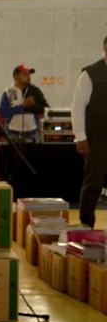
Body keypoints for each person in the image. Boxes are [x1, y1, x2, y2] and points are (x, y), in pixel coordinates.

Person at [72, 35, 107, 228]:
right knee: (93, 184)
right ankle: (86, 225)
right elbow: (77, 108)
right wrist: (81, 137)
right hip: (96, 140)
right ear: (105, 49)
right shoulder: (90, 74)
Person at [0, 64, 47, 141]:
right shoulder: (8, 92)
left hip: (32, 133)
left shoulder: (35, 91)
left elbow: (45, 109)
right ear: (16, 77)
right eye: (25, 74)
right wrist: (22, 106)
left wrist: (33, 106)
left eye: (29, 74)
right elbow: (2, 112)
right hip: (12, 133)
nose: (29, 77)